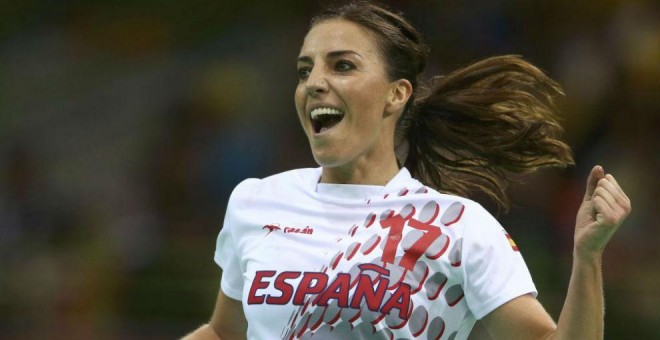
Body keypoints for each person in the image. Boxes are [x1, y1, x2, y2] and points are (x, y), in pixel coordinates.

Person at [183, 1, 631, 339]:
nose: (314, 82)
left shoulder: (457, 227)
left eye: (342, 66)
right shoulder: (256, 201)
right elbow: (223, 333)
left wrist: (587, 258)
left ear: (396, 95)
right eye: (305, 70)